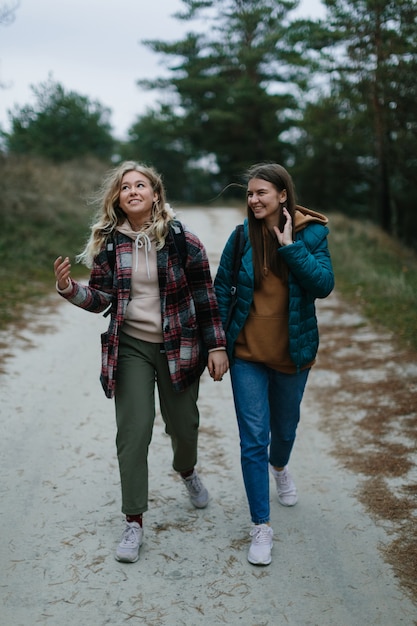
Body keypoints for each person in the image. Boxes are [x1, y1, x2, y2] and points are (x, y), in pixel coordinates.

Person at [54, 161, 229, 563]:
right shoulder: (109, 245)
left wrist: (216, 346)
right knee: (132, 432)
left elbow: (205, 296)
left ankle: (187, 471)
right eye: (125, 187)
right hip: (130, 346)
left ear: (155, 194)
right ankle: (134, 521)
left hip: (180, 346)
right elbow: (102, 299)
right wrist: (69, 289)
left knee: (184, 426)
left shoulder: (184, 241)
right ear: (118, 198)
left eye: (141, 185)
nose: (133, 190)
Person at [214, 163, 334, 566]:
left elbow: (323, 285)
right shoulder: (240, 236)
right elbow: (220, 293)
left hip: (292, 354)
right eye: (249, 193)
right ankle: (261, 526)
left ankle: (280, 466)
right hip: (247, 354)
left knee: (284, 429)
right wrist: (216, 346)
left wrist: (289, 246)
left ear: (283, 195)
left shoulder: (313, 234)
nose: (253, 199)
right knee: (253, 439)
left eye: (261, 192)